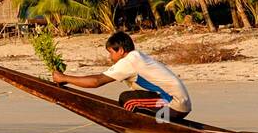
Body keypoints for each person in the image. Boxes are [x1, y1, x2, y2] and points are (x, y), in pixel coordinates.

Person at [52, 31, 192, 120]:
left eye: (111, 52)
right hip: (178, 103)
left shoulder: (129, 61)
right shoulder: (136, 56)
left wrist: (64, 78)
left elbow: (96, 82)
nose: (110, 57)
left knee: (127, 100)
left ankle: (139, 126)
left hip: (175, 105)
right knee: (130, 97)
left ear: (121, 50)